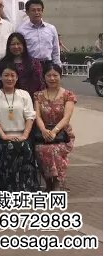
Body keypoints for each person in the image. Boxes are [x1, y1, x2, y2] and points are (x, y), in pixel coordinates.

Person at [0, 63, 38, 192]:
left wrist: (25, 135)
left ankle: (24, 189)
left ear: (17, 77)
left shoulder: (24, 94)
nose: (9, 78)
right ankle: (3, 189)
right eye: (6, 75)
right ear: (0, 77)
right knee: (7, 148)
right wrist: (3, 135)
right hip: (2, 136)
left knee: (24, 147)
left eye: (12, 75)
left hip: (22, 135)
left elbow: (30, 116)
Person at [33, 63, 76, 192]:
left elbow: (66, 117)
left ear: (60, 76)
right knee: (39, 149)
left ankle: (57, 182)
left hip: (63, 134)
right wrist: (43, 130)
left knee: (54, 150)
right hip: (43, 133)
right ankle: (48, 183)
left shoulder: (68, 95)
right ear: (44, 77)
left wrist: (54, 131)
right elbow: (37, 116)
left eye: (55, 75)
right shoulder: (38, 95)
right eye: (49, 75)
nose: (52, 78)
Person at [0, 32, 44, 97]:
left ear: (24, 45)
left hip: (30, 98)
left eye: (18, 44)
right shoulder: (2, 63)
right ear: (8, 46)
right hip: (7, 98)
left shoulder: (34, 63)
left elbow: (40, 84)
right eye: (13, 44)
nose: (16, 46)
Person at [18, 0, 61, 66]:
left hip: (48, 65)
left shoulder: (51, 29)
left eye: (39, 10)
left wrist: (58, 66)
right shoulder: (21, 30)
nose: (37, 13)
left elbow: (55, 51)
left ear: (42, 11)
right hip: (30, 65)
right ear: (27, 12)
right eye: (33, 10)